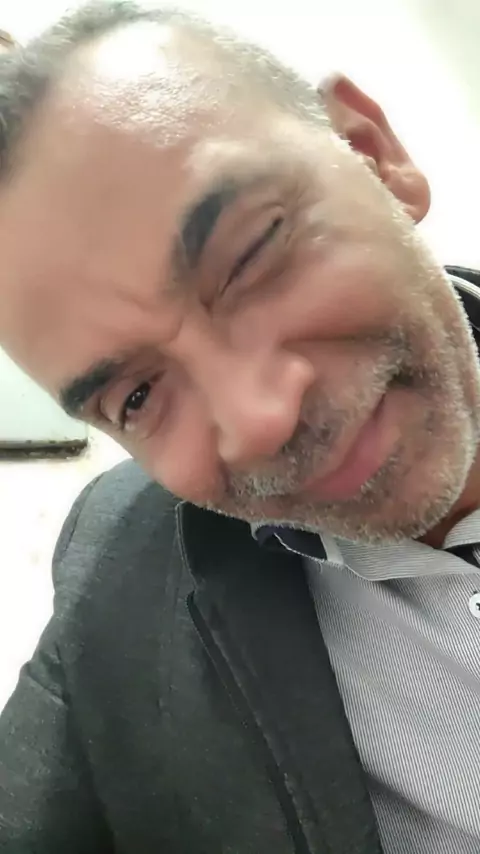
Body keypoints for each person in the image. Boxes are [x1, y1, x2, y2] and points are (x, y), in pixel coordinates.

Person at [0, 1, 480, 851]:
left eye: (253, 254)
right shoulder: (118, 566)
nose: (258, 419)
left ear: (374, 156)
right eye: (137, 398)